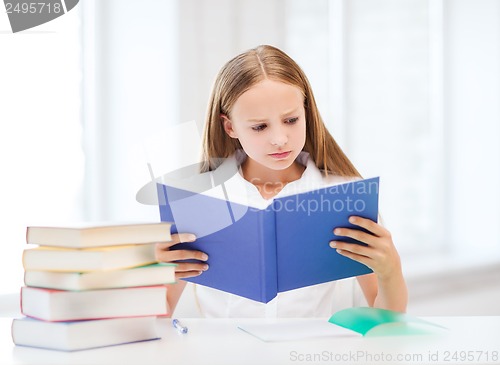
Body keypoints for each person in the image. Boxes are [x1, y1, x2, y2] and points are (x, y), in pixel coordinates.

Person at [155, 45, 407, 317]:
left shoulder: (342, 195)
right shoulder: (198, 199)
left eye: (291, 119)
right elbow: (161, 311)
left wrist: (390, 270)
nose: (279, 139)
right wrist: (153, 273)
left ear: (306, 113)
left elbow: (386, 319)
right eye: (260, 126)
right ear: (230, 127)